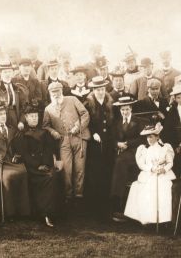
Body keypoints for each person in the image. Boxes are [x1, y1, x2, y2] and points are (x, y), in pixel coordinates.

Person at [42, 82, 90, 204]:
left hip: (79, 137)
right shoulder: (48, 109)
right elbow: (45, 126)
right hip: (63, 141)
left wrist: (78, 127)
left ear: (62, 90)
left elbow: (85, 114)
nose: (56, 94)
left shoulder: (72, 99)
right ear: (50, 94)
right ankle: (68, 196)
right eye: (53, 93)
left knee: (80, 168)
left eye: (58, 91)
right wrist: (53, 132)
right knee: (66, 170)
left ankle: (79, 195)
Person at [0, 103, 30, 219]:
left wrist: (17, 156)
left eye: (4, 114)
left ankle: (23, 211)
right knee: (6, 177)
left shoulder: (11, 129)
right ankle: (9, 212)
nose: (3, 116)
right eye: (0, 114)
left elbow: (17, 145)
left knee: (23, 172)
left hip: (10, 160)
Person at [16, 102, 60, 227]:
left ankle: (52, 213)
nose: (34, 118)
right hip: (31, 167)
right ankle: (44, 213)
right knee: (48, 178)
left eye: (36, 116)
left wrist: (46, 163)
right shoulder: (22, 134)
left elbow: (48, 150)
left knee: (54, 175)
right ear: (26, 118)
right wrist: (37, 165)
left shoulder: (44, 132)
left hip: (45, 164)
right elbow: (24, 154)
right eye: (31, 116)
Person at [124, 123, 175, 225]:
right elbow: (141, 164)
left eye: (151, 137)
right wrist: (150, 168)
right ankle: (146, 218)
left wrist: (164, 169)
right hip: (148, 173)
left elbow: (170, 162)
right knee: (141, 187)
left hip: (162, 175)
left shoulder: (165, 147)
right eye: (147, 137)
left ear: (157, 137)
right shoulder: (143, 149)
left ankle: (161, 219)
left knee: (163, 187)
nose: (149, 139)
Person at [110, 96, 147, 222]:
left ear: (131, 108)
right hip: (121, 152)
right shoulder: (117, 123)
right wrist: (117, 144)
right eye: (122, 110)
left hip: (135, 151)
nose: (124, 112)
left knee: (121, 163)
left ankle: (118, 203)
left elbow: (143, 138)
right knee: (118, 163)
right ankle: (117, 204)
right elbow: (112, 138)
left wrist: (128, 144)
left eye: (126, 109)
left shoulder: (139, 121)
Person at [84, 76, 116, 217]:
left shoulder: (111, 103)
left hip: (108, 142)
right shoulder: (88, 104)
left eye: (102, 89)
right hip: (94, 143)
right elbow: (86, 122)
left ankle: (106, 204)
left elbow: (114, 123)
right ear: (93, 90)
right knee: (94, 171)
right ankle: (93, 206)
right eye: (98, 90)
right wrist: (93, 133)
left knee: (107, 169)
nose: (100, 92)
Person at [0, 59, 29, 128]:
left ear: (12, 73)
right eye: (5, 72)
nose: (7, 74)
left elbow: (23, 107)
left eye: (9, 72)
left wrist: (21, 121)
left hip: (15, 115)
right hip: (1, 117)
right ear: (1, 74)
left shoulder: (18, 88)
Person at [162, 85, 181, 176]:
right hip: (176, 141)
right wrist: (177, 144)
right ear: (175, 99)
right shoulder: (172, 110)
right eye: (179, 98)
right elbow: (168, 130)